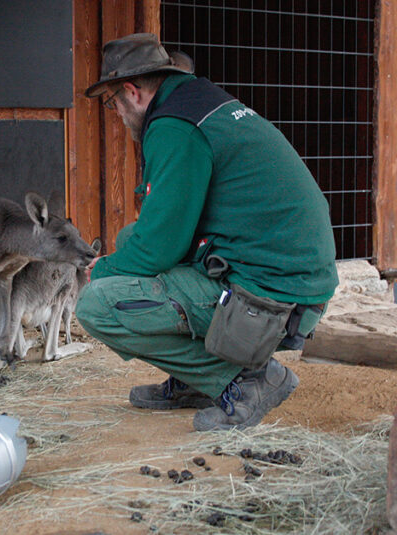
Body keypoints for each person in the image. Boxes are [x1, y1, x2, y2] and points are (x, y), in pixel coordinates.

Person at [76, 33, 338, 431]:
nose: (116, 114)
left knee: (96, 305)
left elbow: (160, 248)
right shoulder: (199, 103)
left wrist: (103, 269)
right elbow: (158, 233)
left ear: (133, 91)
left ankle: (245, 382)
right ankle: (197, 379)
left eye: (113, 103)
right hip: (289, 276)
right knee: (131, 239)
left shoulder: (174, 126)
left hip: (275, 297)